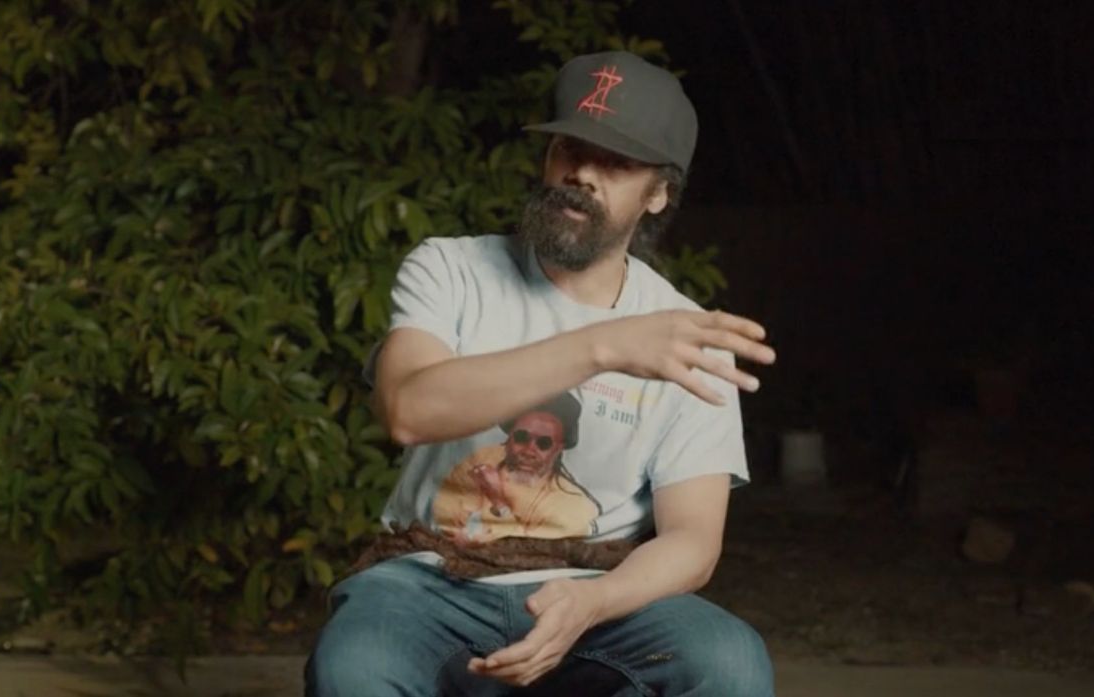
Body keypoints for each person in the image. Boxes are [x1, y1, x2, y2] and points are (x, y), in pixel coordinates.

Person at [306, 49, 778, 696]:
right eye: (568, 149)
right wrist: (601, 346)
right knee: (353, 666)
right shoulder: (450, 270)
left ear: (660, 192)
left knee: (731, 660)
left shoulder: (686, 336)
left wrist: (595, 601)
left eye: (615, 162)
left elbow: (694, 540)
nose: (582, 172)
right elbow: (407, 410)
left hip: (598, 596)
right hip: (429, 581)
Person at [432, 393, 600, 543]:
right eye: (521, 438)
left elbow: (532, 552)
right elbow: (444, 514)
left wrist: (498, 501)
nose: (529, 451)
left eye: (543, 443)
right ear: (509, 437)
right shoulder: (483, 459)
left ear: (558, 449)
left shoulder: (573, 503)